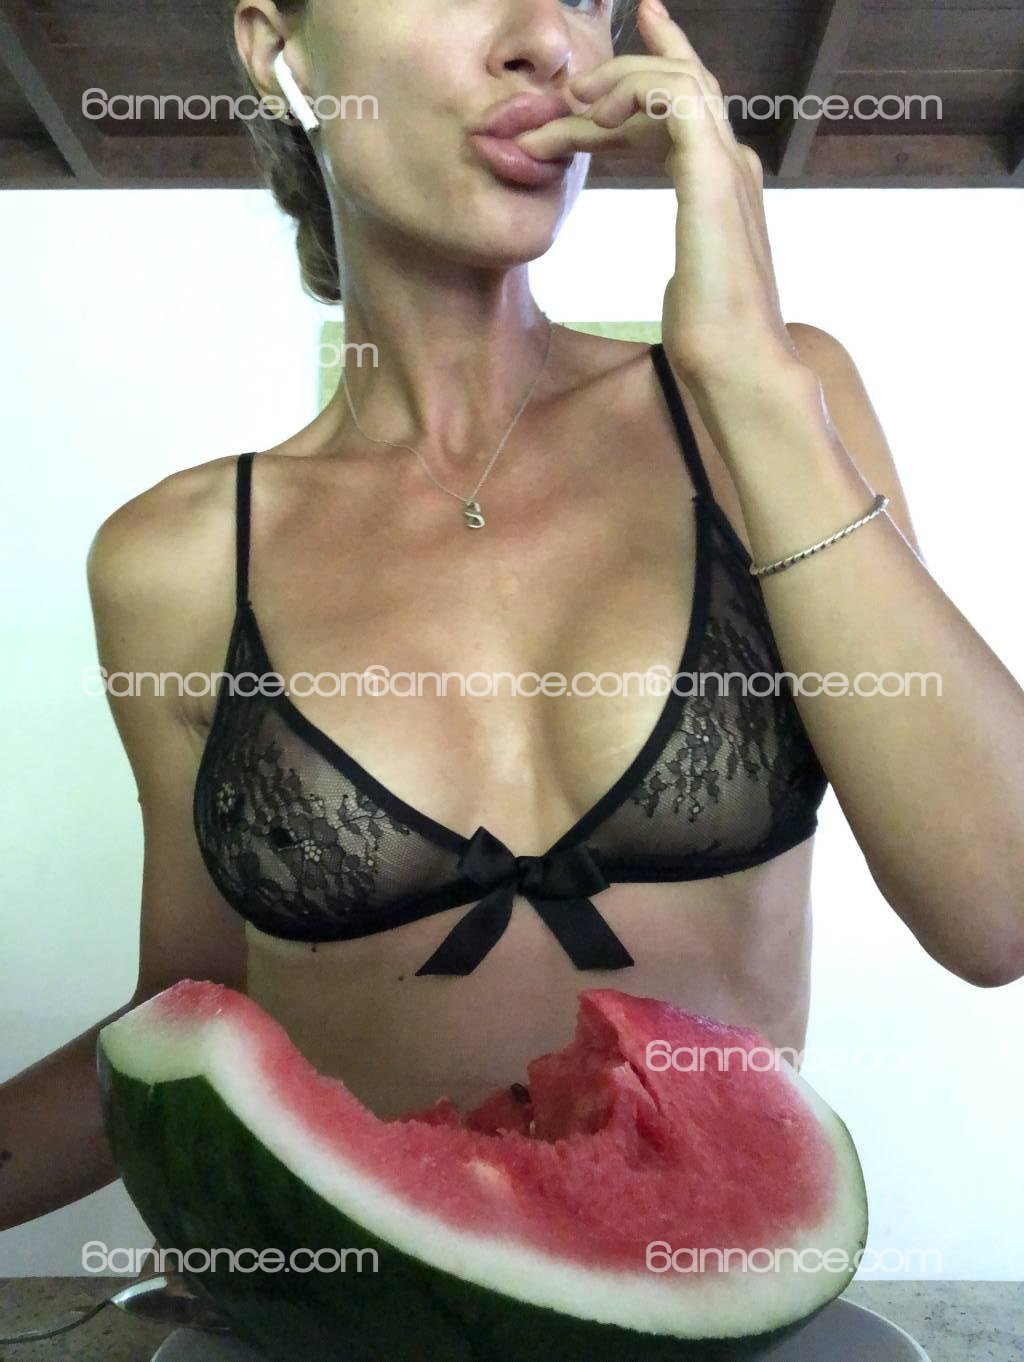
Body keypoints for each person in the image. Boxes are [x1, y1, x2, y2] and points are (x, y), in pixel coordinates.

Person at [4, 0, 1023, 1241]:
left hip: (714, 1287)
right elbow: (186, 1015)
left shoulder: (763, 408)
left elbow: (998, 910)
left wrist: (750, 379)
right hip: (349, 1308)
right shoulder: (176, 562)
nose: (547, 33)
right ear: (280, 50)